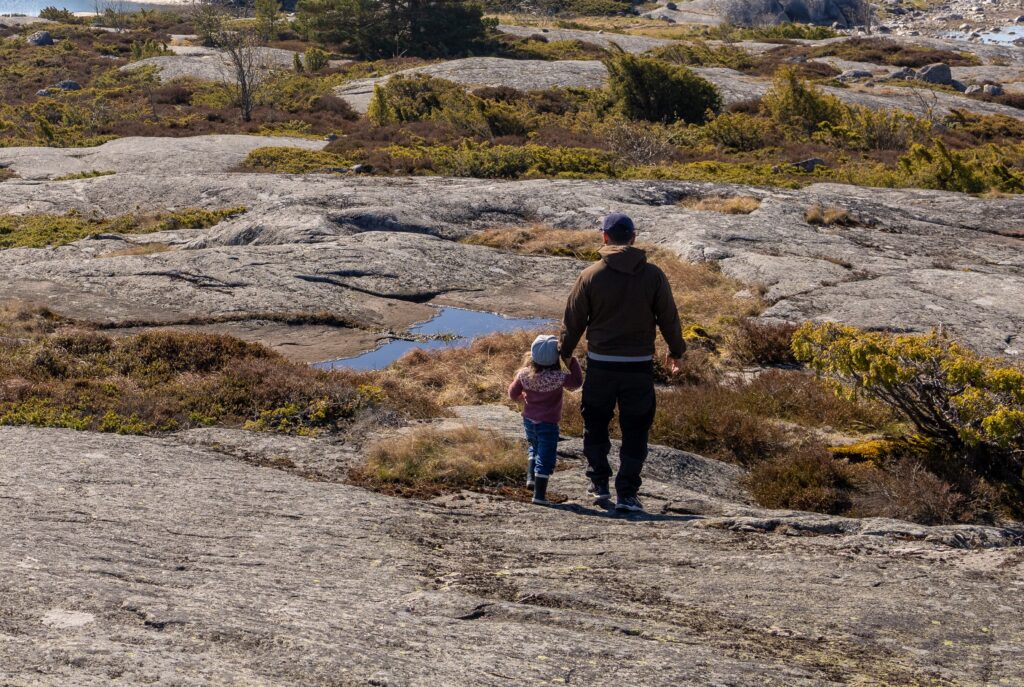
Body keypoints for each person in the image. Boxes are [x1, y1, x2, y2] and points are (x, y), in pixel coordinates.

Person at [559, 212, 685, 513]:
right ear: (633, 238)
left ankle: (599, 486)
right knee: (637, 429)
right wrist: (676, 350)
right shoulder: (653, 275)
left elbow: (573, 320)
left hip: (601, 366)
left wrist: (563, 354)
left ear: (605, 237)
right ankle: (627, 494)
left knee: (596, 425)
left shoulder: (590, 275)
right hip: (638, 367)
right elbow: (669, 317)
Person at [508, 334, 584, 505]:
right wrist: (572, 361)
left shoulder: (523, 375)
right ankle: (539, 496)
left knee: (534, 447)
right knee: (546, 457)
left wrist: (522, 396)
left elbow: (512, 394)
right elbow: (577, 383)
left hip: (529, 419)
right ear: (557, 357)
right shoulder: (558, 377)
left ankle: (531, 479)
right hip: (548, 423)